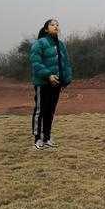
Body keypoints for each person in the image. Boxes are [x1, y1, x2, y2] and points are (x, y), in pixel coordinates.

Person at [30, 19, 72, 149]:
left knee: (51, 111)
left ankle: (47, 137)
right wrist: (48, 75)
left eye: (57, 25)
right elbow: (35, 62)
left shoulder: (61, 45)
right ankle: (38, 139)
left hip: (56, 84)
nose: (56, 26)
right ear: (46, 29)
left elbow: (65, 64)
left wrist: (65, 80)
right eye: (52, 25)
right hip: (42, 83)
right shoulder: (39, 43)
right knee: (40, 110)